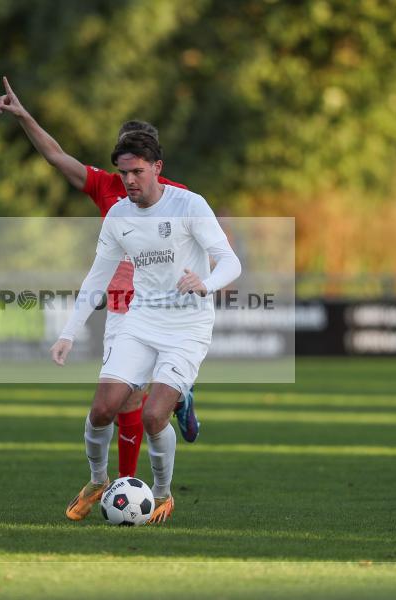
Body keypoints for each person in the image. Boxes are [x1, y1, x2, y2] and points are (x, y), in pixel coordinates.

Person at [0, 77, 199, 485]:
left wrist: (200, 279)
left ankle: (125, 484)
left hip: (158, 307)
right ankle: (123, 480)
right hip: (120, 306)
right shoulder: (106, 185)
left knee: (135, 398)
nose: (127, 174)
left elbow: (203, 244)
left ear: (152, 159)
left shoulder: (176, 196)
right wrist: (24, 117)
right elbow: (56, 156)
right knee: (117, 404)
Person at [50, 133, 241, 524]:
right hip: (140, 320)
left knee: (154, 416)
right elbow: (97, 277)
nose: (130, 180)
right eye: (124, 173)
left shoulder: (189, 205)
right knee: (102, 409)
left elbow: (230, 262)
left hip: (188, 326)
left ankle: (162, 493)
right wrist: (68, 333)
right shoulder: (118, 216)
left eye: (137, 171)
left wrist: (206, 284)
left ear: (157, 168)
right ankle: (98, 481)